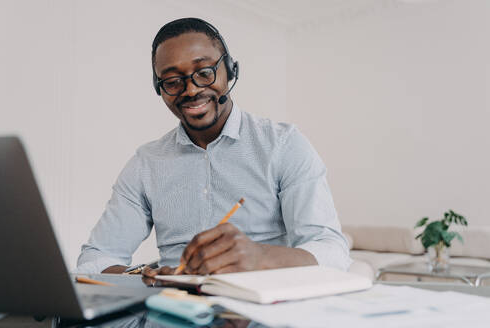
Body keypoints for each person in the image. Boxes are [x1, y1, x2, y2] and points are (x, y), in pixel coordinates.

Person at [76, 18, 351, 276]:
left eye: (205, 72)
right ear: (159, 88)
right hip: (175, 309)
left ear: (230, 70)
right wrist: (143, 277)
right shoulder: (146, 163)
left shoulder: (283, 144)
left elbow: (332, 252)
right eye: (172, 81)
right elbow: (95, 259)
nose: (192, 90)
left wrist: (260, 257)